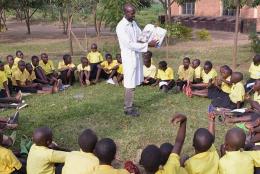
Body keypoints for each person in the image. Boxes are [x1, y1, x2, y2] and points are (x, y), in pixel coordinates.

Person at [116, 3, 157, 116]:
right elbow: (129, 44)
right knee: (129, 82)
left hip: (136, 56)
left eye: (134, 12)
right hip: (129, 57)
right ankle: (128, 108)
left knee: (133, 81)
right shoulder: (121, 26)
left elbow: (140, 36)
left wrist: (152, 34)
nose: (134, 15)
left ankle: (130, 103)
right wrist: (148, 45)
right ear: (125, 12)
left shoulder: (133, 23)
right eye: (131, 13)